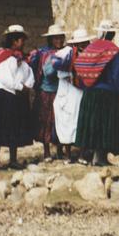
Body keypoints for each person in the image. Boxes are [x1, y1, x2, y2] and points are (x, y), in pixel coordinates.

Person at [0, 24, 35, 170]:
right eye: (21, 39)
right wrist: (20, 87)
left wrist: (27, 86)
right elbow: (5, 77)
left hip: (17, 97)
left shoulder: (23, 60)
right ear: (14, 41)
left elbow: (30, 75)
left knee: (15, 128)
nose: (23, 42)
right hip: (2, 96)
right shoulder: (3, 57)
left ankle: (13, 159)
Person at [74, 20, 119, 166]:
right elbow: (116, 74)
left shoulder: (91, 48)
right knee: (105, 125)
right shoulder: (113, 50)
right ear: (112, 34)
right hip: (107, 93)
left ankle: (86, 156)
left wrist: (86, 86)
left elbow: (80, 65)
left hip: (90, 92)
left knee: (91, 125)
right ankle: (100, 158)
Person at [28, 24, 67, 162]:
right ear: (50, 39)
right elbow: (48, 73)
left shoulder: (66, 52)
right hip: (47, 92)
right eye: (56, 38)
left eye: (61, 38)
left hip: (61, 92)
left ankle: (60, 149)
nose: (59, 41)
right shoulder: (46, 54)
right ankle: (46, 152)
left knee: (60, 121)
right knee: (45, 121)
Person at [52, 26, 90, 164]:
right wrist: (71, 75)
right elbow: (59, 71)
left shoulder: (88, 55)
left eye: (84, 42)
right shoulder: (66, 53)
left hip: (81, 93)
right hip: (67, 93)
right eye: (80, 43)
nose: (82, 45)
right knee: (66, 123)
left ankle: (81, 154)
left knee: (81, 122)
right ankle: (68, 155)